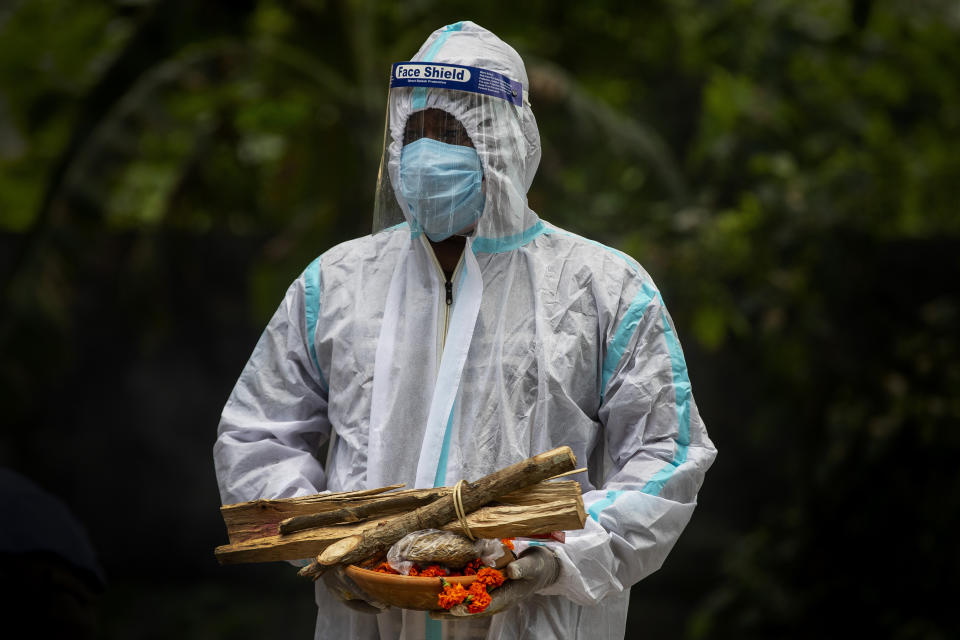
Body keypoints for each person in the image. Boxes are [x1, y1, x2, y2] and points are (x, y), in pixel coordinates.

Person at [214, 21, 716, 640]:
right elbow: (257, 435)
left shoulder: (604, 289)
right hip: (367, 621)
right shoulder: (336, 285)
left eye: (452, 132)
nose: (428, 153)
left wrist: (555, 557)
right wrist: (329, 547)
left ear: (506, 141)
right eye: (416, 131)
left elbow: (667, 456)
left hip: (537, 621)